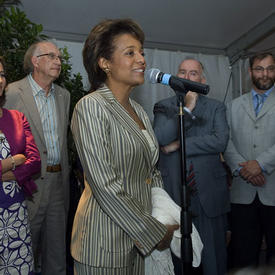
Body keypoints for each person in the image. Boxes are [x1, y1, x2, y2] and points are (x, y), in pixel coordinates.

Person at [70, 18, 178, 275]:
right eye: (130, 53)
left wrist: (163, 216)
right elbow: (104, 184)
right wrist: (153, 231)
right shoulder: (91, 106)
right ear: (104, 63)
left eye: (141, 52)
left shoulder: (139, 110)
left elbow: (151, 172)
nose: (141, 59)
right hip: (103, 241)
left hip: (140, 243)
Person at [153, 58, 230, 275]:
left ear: (202, 79)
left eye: (193, 73)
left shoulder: (217, 107)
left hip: (208, 194)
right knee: (178, 260)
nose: (187, 77)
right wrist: (187, 109)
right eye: (183, 72)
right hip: (175, 195)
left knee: (213, 259)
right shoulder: (163, 107)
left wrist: (178, 144)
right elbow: (161, 138)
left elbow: (219, 141)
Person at [4, 41, 70, 275]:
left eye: (59, 58)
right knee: (21, 252)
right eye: (51, 56)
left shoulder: (64, 96)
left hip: (58, 183)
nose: (58, 61)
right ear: (35, 61)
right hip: (26, 183)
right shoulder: (11, 92)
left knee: (56, 255)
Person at [224, 52, 275, 269]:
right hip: (242, 194)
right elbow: (225, 142)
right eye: (259, 69)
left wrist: (260, 164)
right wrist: (242, 169)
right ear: (250, 72)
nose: (265, 74)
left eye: (270, 68)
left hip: (273, 191)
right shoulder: (233, 106)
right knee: (243, 256)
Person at [0, 56, 41, 274]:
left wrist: (14, 175)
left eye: (2, 74)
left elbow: (35, 162)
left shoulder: (16, 117)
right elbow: (23, 159)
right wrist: (13, 161)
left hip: (15, 213)